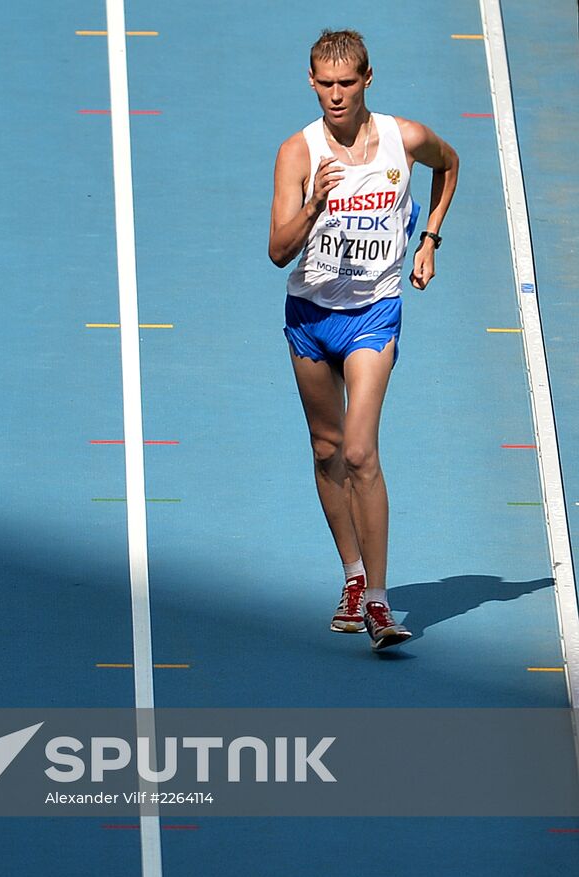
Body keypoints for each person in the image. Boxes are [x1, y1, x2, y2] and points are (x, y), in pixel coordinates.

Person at [268, 29, 459, 651]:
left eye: (346, 83)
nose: (335, 95)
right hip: (309, 316)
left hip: (373, 315)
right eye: (325, 84)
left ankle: (378, 599)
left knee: (357, 452)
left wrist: (429, 240)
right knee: (326, 448)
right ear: (311, 81)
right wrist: (315, 205)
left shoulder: (406, 139)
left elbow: (450, 165)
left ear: (367, 80)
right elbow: (277, 251)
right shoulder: (298, 153)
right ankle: (352, 576)